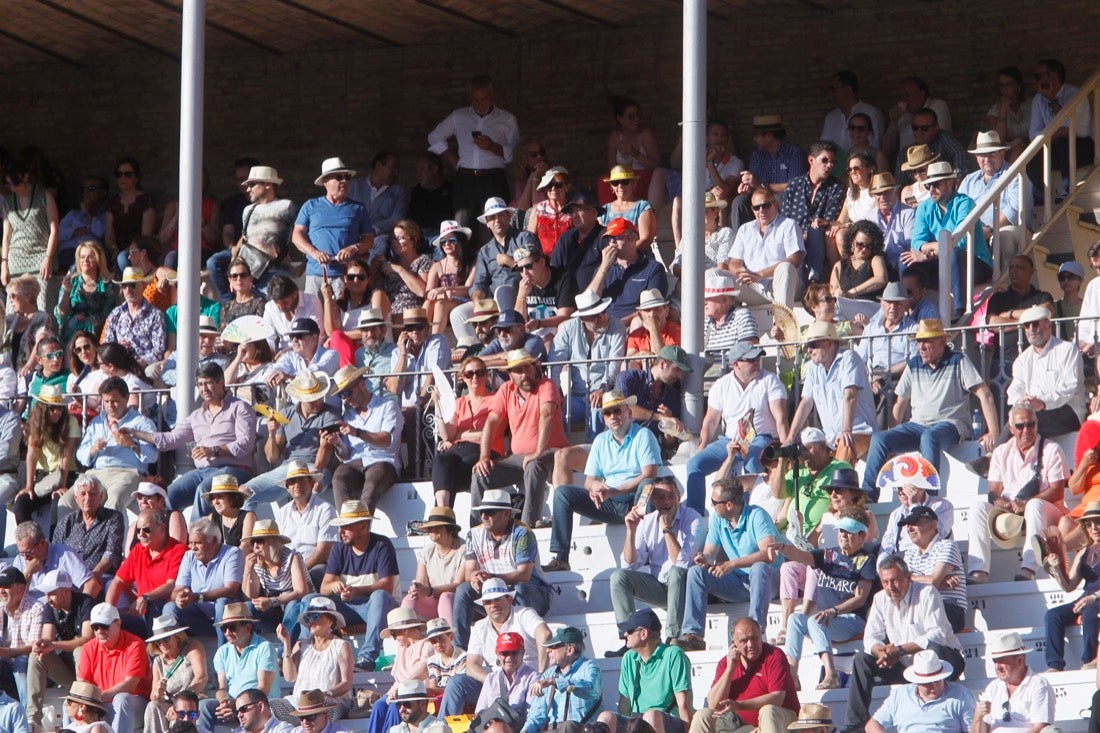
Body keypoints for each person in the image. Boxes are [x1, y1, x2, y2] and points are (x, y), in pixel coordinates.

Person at [860, 318, 999, 498]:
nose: (921, 346)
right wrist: (892, 439)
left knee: (930, 437)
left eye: (927, 341)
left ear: (942, 341)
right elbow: (899, 404)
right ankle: (867, 498)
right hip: (916, 426)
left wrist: (994, 431)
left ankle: (928, 497)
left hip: (950, 425)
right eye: (919, 341)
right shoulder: (914, 364)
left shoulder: (958, 361)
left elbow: (984, 394)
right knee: (879, 439)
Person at [841, 555, 964, 733]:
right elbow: (870, 638)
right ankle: (854, 726)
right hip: (907, 667)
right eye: (885, 582)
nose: (890, 587)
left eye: (895, 580)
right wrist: (881, 652)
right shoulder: (880, 598)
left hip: (944, 662)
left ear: (908, 577)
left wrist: (899, 650)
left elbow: (938, 635)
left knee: (934, 649)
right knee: (862, 660)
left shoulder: (927, 592)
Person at [544, 390, 661, 572]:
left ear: (629, 413)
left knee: (648, 486)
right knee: (562, 494)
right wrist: (596, 486)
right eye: (608, 413)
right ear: (604, 419)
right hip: (608, 502)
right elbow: (589, 481)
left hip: (635, 500)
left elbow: (649, 474)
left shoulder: (644, 435)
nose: (613, 416)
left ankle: (648, 554)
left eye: (617, 411)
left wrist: (613, 491)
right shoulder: (600, 441)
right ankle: (561, 558)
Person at [124, 361, 256, 511]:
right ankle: (167, 532)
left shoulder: (239, 408)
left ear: (220, 383)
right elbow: (170, 439)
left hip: (235, 469)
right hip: (203, 471)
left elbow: (246, 444)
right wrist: (135, 433)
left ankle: (197, 534)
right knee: (169, 494)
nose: (204, 389)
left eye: (208, 383)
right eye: (200, 384)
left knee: (204, 490)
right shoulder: (197, 416)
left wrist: (214, 450)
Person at [770, 506, 875, 691]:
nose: (843, 535)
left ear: (862, 536)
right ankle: (792, 675)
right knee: (795, 619)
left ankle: (831, 673)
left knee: (816, 621)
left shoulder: (866, 560)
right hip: (826, 620)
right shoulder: (829, 554)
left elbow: (860, 598)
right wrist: (783, 548)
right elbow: (803, 556)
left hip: (852, 620)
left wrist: (834, 611)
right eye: (842, 530)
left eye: (849, 532)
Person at [966, 403, 1069, 584]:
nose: (1026, 430)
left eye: (1031, 424)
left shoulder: (1051, 449)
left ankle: (1029, 568)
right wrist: (1000, 503)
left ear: (1037, 425)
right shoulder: (1001, 452)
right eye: (1020, 426)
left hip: (1047, 510)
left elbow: (1057, 490)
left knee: (1034, 505)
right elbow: (993, 490)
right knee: (977, 508)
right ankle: (978, 570)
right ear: (1011, 428)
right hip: (1010, 510)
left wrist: (1026, 503)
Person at [675, 477, 780, 650]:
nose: (712, 506)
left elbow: (769, 554)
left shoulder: (757, 515)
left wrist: (732, 564)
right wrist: (705, 559)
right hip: (739, 582)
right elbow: (710, 551)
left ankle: (755, 632)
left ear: (729, 504)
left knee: (759, 568)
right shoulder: (718, 519)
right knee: (696, 573)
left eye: (715, 502)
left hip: (768, 580)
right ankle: (694, 636)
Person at [686, 341, 789, 515]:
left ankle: (749, 513)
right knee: (694, 464)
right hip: (730, 440)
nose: (757, 362)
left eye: (758, 358)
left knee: (752, 461)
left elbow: (781, 418)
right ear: (736, 364)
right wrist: (702, 447)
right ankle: (695, 516)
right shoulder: (721, 385)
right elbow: (710, 421)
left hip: (762, 437)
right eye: (751, 360)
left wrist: (786, 448)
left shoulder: (770, 380)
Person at [472, 349, 568, 528]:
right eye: (518, 370)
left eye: (527, 368)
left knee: (534, 464)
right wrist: (484, 457)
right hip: (519, 458)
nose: (524, 374)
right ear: (510, 374)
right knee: (480, 474)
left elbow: (546, 415)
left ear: (534, 367)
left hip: (551, 452)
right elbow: (491, 422)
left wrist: (538, 451)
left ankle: (526, 528)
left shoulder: (547, 385)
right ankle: (477, 529)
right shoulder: (506, 389)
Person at [451, 492, 553, 648]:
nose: (484, 516)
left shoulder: (523, 533)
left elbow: (524, 576)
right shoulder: (474, 534)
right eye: (481, 512)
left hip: (534, 593)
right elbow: (469, 571)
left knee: (519, 589)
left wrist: (491, 577)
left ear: (506, 514)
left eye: (490, 512)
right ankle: (460, 650)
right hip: (495, 593)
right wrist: (475, 577)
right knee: (463, 590)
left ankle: (522, 647)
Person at [439, 578, 550, 716]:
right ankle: (441, 728)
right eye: (488, 602)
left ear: (509, 599)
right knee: (456, 683)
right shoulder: (479, 626)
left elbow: (545, 635)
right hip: (491, 683)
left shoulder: (524, 614)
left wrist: (542, 674)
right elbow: (472, 666)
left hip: (527, 681)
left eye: (497, 599)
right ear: (484, 606)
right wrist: (495, 683)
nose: (493, 605)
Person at [426, 75, 518, 228]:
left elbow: (517, 152)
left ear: (492, 97)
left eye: (484, 99)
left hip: (493, 178)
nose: (479, 104)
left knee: (497, 225)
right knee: (463, 225)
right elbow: (434, 137)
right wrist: (453, 159)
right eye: (475, 99)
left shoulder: (507, 119)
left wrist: (493, 147)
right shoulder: (459, 116)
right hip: (465, 179)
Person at [243, 370, 343, 508]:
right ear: (301, 398)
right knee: (243, 492)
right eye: (312, 398)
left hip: (314, 467)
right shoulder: (286, 413)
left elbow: (325, 448)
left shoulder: (331, 414)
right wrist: (271, 433)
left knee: (311, 489)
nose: (317, 401)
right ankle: (244, 528)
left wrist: (314, 473)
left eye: (318, 396)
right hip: (289, 468)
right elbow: (272, 457)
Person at [905, 161, 992, 319]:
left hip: (975, 262)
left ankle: (960, 312)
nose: (931, 189)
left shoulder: (965, 203)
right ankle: (907, 306)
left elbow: (960, 242)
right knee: (905, 260)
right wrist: (927, 253)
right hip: (941, 261)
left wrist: (930, 250)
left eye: (936, 184)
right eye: (928, 185)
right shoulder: (924, 207)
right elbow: (916, 242)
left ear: (951, 183)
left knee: (954, 254)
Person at [320, 500, 400, 671]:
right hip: (350, 608)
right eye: (341, 526)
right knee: (313, 601)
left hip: (380, 608)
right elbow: (324, 587)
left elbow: (387, 586)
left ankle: (367, 658)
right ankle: (313, 655)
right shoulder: (338, 549)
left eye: (346, 526)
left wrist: (356, 591)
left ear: (363, 526)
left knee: (379, 596)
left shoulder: (382, 545)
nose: (341, 531)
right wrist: (333, 585)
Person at [688, 617, 799, 733]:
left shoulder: (774, 655)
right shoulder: (726, 663)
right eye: (744, 641)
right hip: (740, 726)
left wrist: (739, 705)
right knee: (702, 715)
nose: (750, 644)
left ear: (761, 637)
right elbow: (713, 704)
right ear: (734, 644)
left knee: (768, 711)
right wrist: (730, 669)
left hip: (780, 723)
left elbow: (777, 698)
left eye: (754, 638)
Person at [787, 321, 876, 464]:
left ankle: (838, 485)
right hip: (831, 440)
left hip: (861, 433)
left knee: (845, 445)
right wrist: (789, 438)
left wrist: (846, 431)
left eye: (813, 345)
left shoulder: (849, 358)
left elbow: (850, 396)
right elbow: (806, 402)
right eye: (808, 346)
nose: (809, 350)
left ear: (829, 342)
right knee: (792, 459)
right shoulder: (812, 368)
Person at [595, 609, 692, 733]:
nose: (625, 634)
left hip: (667, 720)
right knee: (605, 718)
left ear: (643, 633)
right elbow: (625, 701)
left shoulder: (673, 655)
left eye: (630, 631)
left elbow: (683, 702)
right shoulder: (629, 658)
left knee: (651, 716)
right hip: (638, 720)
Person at [209, 165, 296, 300]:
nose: (248, 189)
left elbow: (290, 235)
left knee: (271, 309)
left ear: (267, 184)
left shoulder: (286, 206)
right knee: (214, 262)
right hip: (248, 263)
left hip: (271, 266)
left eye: (252, 184)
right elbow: (245, 237)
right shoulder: (248, 210)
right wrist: (234, 260)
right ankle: (230, 302)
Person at [292, 157, 374, 297]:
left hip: (346, 276)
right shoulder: (310, 206)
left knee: (343, 317)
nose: (344, 181)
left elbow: (369, 240)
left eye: (346, 177)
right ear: (325, 182)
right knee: (314, 317)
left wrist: (353, 248)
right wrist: (314, 253)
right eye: (338, 177)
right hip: (316, 274)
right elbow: (296, 235)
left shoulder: (358, 208)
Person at [550, 291, 627, 438]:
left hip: (605, 392)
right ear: (583, 318)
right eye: (596, 315)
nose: (602, 317)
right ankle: (561, 454)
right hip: (577, 396)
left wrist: (604, 388)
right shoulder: (568, 328)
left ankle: (595, 453)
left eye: (603, 312)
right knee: (555, 412)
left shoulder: (617, 326)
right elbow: (555, 362)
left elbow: (615, 362)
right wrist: (554, 392)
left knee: (598, 408)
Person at [27, 569, 94, 731]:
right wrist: (42, 644)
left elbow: (88, 638)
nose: (48, 598)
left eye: (52, 593)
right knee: (35, 656)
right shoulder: (49, 608)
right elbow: (48, 638)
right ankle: (33, 718)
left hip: (89, 675)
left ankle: (84, 707)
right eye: (46, 594)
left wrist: (55, 645)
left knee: (80, 649)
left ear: (66, 591)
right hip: (69, 673)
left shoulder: (85, 602)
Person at [1006, 305, 1086, 437]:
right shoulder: (1022, 360)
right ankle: (997, 454)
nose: (1031, 329)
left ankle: (992, 454)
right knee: (1018, 420)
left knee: (1024, 422)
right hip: (1034, 415)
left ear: (1048, 325)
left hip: (1067, 413)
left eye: (1035, 324)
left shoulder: (1067, 350)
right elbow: (1014, 390)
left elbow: (1068, 388)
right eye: (1027, 325)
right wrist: (1021, 400)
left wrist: (1042, 403)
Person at [330, 365, 402, 511]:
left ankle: (360, 529)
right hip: (355, 464)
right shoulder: (348, 416)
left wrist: (358, 433)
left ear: (362, 384)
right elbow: (346, 455)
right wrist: (336, 443)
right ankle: (346, 527)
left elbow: (386, 440)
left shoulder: (387, 406)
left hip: (383, 461)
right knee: (339, 478)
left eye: (348, 392)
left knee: (372, 483)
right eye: (342, 395)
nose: (346, 398)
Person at [431, 356, 500, 508]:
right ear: (463, 378)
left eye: (479, 373)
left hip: (485, 450)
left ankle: (442, 517)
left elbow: (487, 434)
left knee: (453, 472)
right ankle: (442, 510)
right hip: (458, 450)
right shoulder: (459, 402)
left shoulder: (495, 400)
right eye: (469, 374)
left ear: (486, 376)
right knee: (440, 461)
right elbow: (447, 435)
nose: (475, 377)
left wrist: (459, 435)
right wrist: (438, 406)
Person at [201, 603, 280, 733]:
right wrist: (224, 701)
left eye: (232, 628)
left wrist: (237, 705)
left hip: (257, 706)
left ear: (248, 628)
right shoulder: (222, 652)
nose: (227, 632)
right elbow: (222, 687)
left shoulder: (264, 647)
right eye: (224, 628)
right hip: (233, 706)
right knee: (205, 706)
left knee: (251, 707)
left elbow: (262, 690)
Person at [106, 508, 187, 634]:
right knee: (113, 626)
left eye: (146, 530)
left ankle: (155, 651)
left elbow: (172, 585)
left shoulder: (179, 550)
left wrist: (146, 597)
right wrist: (108, 612)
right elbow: (117, 581)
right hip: (143, 613)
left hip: (168, 613)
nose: (141, 535)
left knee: (154, 606)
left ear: (162, 529)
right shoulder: (138, 550)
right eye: (138, 531)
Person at [274, 596, 355, 722]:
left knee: (321, 712)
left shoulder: (341, 646)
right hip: (302, 703)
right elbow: (290, 677)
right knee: (272, 706)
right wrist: (286, 644)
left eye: (315, 616)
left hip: (329, 702)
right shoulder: (301, 645)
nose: (310, 621)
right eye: (308, 617)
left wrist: (325, 694)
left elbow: (346, 683)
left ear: (330, 620)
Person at [165, 517, 245, 641]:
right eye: (190, 543)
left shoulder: (233, 553)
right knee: (170, 608)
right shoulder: (189, 556)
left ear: (213, 541)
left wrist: (197, 597)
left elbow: (231, 590)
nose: (192, 547)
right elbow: (177, 589)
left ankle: (223, 653)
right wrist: (180, 596)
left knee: (222, 603)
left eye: (197, 543)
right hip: (201, 618)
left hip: (230, 620)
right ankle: (174, 656)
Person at [77, 602, 152, 733]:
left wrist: (99, 697)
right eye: (95, 627)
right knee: (71, 703)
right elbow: (83, 682)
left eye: (104, 626)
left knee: (122, 699)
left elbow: (130, 685)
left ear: (118, 624)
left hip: (133, 706)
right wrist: (88, 701)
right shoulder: (89, 647)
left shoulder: (135, 645)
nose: (100, 631)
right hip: (101, 705)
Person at [1044, 501, 1100, 671]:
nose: (1094, 528)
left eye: (1098, 522)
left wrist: (1095, 597)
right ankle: (1055, 663)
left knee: (1090, 613)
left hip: (1096, 598)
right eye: (1089, 525)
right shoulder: (1085, 552)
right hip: (1087, 598)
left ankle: (1090, 659)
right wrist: (1056, 570)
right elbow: (1069, 586)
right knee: (1053, 615)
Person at [1027, 59, 1095, 197]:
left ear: (1054, 77)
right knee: (1031, 155)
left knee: (1064, 142)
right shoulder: (1038, 99)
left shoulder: (1075, 94)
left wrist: (1052, 99)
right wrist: (1054, 134)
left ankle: (1066, 189)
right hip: (1055, 145)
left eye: (1039, 76)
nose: (1037, 81)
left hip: (1081, 146)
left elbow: (1069, 127)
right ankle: (1040, 194)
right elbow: (1033, 134)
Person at [727, 187, 804, 309]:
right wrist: (741, 271)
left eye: (766, 206)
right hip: (753, 287)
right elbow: (733, 261)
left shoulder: (788, 225)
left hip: (783, 285)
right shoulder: (745, 229)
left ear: (776, 205)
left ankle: (781, 325)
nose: (761, 210)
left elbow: (795, 259)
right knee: (713, 274)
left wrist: (760, 274)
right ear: (752, 210)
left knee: (785, 267)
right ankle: (713, 324)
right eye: (756, 207)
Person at [779, 141, 845, 282]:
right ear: (811, 160)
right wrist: (797, 235)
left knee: (816, 228)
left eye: (832, 162)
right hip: (794, 237)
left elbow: (829, 217)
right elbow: (784, 218)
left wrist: (807, 234)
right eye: (825, 160)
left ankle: (814, 278)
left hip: (817, 238)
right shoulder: (794, 185)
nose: (829, 165)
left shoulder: (836, 187)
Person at [864, 649, 974, 733]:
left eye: (937, 681)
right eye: (928, 683)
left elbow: (972, 730)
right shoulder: (900, 695)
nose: (934, 687)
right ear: (917, 682)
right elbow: (872, 725)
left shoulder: (960, 695)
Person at [959, 131, 1028, 263]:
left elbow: (1014, 210)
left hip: (1009, 229)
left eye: (992, 153)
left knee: (1003, 238)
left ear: (1002, 153)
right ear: (976, 157)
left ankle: (1004, 282)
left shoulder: (1014, 175)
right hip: (977, 232)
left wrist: (989, 229)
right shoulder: (969, 180)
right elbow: (959, 208)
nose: (987, 159)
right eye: (982, 155)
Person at [896, 505, 967, 633]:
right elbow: (902, 585)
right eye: (907, 524)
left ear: (933, 525)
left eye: (915, 523)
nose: (909, 528)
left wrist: (917, 580)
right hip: (920, 606)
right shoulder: (910, 553)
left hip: (949, 608)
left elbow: (933, 581)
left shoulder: (947, 546)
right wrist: (937, 582)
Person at [2, 160, 60, 310]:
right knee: (14, 307)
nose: (13, 188)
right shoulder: (8, 202)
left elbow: (54, 229)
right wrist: (4, 264)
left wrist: (49, 258)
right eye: (9, 184)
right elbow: (7, 235)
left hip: (41, 256)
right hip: (16, 259)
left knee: (43, 305)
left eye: (16, 183)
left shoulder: (44, 195)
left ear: (25, 177)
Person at [52, 474, 125, 591]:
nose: (87, 498)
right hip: (70, 577)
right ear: (76, 498)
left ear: (100, 496)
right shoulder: (66, 522)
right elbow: (56, 553)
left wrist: (95, 573)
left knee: (91, 584)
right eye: (83, 494)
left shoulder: (113, 518)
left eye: (92, 494)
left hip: (100, 575)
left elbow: (112, 553)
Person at [522, 627, 601, 733]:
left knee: (568, 726)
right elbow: (537, 715)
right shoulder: (548, 674)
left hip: (581, 729)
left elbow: (591, 690)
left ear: (569, 650)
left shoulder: (590, 668)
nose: (547, 650)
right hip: (553, 730)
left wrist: (556, 682)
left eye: (553, 646)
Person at [974, 631, 1055, 733]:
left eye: (1001, 661)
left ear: (1020, 661)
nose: (997, 667)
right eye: (995, 661)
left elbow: (1040, 728)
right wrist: (978, 717)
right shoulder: (993, 687)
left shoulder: (1038, 684)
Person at [274, 461, 338, 589]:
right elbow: (278, 549)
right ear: (287, 487)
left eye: (301, 480)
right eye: (292, 482)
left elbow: (324, 552)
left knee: (315, 575)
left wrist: (298, 570)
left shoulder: (325, 509)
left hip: (316, 565)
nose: (297, 485)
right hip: (288, 568)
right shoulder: (282, 513)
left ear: (311, 483)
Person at [143, 614, 210, 733]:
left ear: (177, 637)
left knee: (179, 713)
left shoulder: (192, 648)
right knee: (152, 706)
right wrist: (158, 693)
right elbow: (153, 696)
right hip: (171, 705)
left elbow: (202, 677)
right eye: (158, 641)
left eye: (166, 638)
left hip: (193, 700)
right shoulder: (158, 662)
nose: (162, 643)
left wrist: (178, 703)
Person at [242, 519, 310, 635]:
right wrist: (248, 569)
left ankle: (284, 648)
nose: (256, 546)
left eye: (259, 541)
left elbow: (302, 591)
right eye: (253, 543)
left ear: (272, 542)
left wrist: (273, 601)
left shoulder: (292, 557)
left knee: (293, 605)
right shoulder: (257, 564)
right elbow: (250, 596)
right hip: (274, 614)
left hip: (297, 612)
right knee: (248, 607)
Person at [0, 566, 52, 714]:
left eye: (7, 587)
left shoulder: (36, 608)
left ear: (21, 588)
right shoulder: (0, 606)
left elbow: (34, 646)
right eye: (0, 586)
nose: (2, 591)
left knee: (21, 663)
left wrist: (7, 652)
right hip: (5, 662)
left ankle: (26, 717)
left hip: (28, 664)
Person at [402, 507, 464, 625]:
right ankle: (407, 642)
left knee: (446, 598)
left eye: (437, 526)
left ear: (450, 529)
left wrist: (430, 591)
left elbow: (458, 585)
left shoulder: (464, 550)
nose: (432, 529)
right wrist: (417, 590)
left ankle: (451, 640)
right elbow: (421, 584)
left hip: (459, 604)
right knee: (409, 600)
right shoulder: (426, 552)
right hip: (434, 603)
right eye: (430, 527)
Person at [101, 267, 167, 369]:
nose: (128, 290)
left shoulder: (155, 315)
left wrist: (137, 364)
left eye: (133, 285)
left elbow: (158, 351)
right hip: (118, 367)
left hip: (143, 368)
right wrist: (118, 348)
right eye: (124, 286)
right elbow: (106, 346)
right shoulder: (115, 315)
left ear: (144, 287)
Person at [55, 240, 119, 343]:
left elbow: (109, 314)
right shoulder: (71, 282)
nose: (85, 260)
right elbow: (61, 315)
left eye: (90, 257)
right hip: (72, 330)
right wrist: (66, 292)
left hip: (97, 330)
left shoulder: (106, 284)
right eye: (82, 257)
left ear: (98, 260)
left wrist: (89, 322)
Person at [348, 151, 407, 254]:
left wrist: (373, 230)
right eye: (392, 168)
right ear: (379, 166)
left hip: (379, 237)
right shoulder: (353, 186)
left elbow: (397, 219)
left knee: (381, 244)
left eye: (397, 169)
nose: (396, 173)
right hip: (353, 235)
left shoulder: (398, 191)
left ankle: (371, 270)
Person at [424, 221, 475, 336]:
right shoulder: (437, 266)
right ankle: (417, 337)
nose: (446, 244)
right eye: (443, 242)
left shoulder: (472, 263)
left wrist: (444, 289)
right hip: (445, 300)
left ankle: (435, 339)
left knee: (441, 304)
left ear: (460, 241)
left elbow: (469, 289)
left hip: (465, 302)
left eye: (451, 240)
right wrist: (439, 293)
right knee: (428, 303)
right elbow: (428, 292)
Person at [551, 190, 606, 293]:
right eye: (573, 211)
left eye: (580, 210)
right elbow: (554, 269)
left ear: (594, 212)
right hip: (567, 299)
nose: (575, 215)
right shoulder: (566, 238)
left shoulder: (605, 237)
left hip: (596, 299)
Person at [820, 70, 885, 151]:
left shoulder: (872, 113)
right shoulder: (830, 118)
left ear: (849, 88)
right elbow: (823, 148)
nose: (832, 94)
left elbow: (877, 146)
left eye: (834, 89)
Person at [701, 269, 758, 355]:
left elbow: (748, 356)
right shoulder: (705, 322)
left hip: (734, 368)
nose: (705, 302)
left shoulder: (742, 317)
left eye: (709, 298)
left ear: (725, 300)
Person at [599, 166, 657, 248]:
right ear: (611, 186)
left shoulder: (643, 207)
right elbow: (600, 240)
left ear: (633, 184)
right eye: (615, 183)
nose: (620, 186)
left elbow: (646, 239)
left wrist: (625, 252)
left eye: (624, 182)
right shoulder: (604, 210)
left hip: (638, 257)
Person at [831, 220, 888, 302]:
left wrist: (853, 292)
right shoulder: (840, 265)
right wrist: (837, 293)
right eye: (860, 245)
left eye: (868, 246)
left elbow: (881, 279)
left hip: (870, 305)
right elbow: (832, 290)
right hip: (845, 306)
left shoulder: (875, 260)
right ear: (852, 243)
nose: (864, 249)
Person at [263, 275, 325, 351]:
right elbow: (268, 338)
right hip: (282, 353)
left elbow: (317, 337)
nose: (281, 307)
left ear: (295, 294)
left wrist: (291, 351)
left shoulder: (312, 302)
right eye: (277, 303)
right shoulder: (270, 307)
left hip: (308, 352)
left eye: (285, 302)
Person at [984, 66, 1032, 160]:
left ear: (1018, 86)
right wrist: (1003, 109)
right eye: (1001, 85)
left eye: (1009, 84)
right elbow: (998, 141)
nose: (1004, 89)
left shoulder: (1031, 105)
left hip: (1033, 149)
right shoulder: (995, 110)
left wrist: (1022, 141)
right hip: (1006, 152)